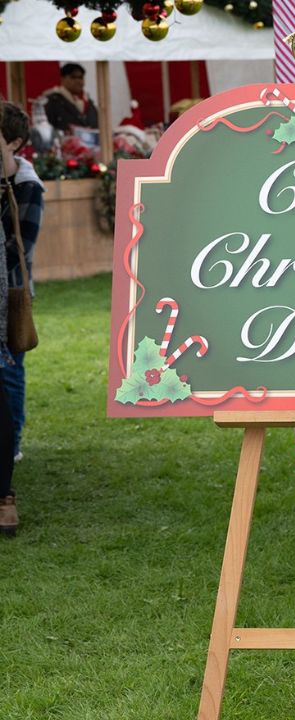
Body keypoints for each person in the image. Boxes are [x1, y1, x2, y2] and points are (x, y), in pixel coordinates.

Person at [0, 102, 33, 536]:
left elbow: (20, 248)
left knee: (6, 384)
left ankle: (5, 494)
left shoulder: (21, 183)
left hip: (6, 297)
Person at [41, 63, 98, 134]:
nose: (78, 81)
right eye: (73, 77)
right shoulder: (52, 101)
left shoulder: (89, 103)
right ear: (62, 79)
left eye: (81, 77)